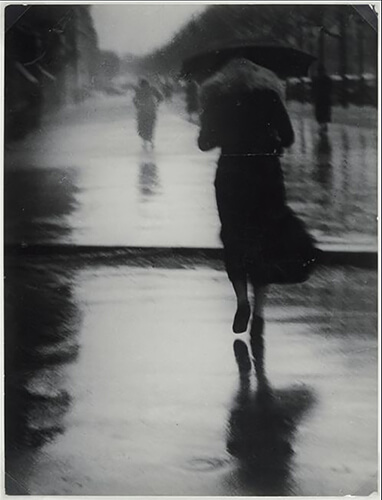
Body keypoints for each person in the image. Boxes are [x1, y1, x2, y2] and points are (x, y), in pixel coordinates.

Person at [198, 58, 317, 335]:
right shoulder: (269, 96)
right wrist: (270, 138)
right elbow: (288, 138)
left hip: (231, 175)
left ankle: (241, 300)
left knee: (234, 236)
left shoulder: (218, 99)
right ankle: (260, 313)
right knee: (264, 239)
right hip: (266, 175)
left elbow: (204, 143)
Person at [133, 78, 162, 149]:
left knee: (142, 127)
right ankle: (151, 141)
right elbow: (160, 97)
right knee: (150, 126)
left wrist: (137, 106)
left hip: (142, 112)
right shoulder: (152, 89)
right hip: (151, 111)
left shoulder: (139, 90)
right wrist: (157, 104)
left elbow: (134, 100)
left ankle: (145, 142)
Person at [312, 63, 332, 133]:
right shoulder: (327, 79)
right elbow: (330, 89)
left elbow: (314, 90)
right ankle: (324, 126)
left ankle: (322, 126)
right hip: (325, 99)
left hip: (320, 100)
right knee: (324, 114)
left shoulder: (317, 80)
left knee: (320, 114)